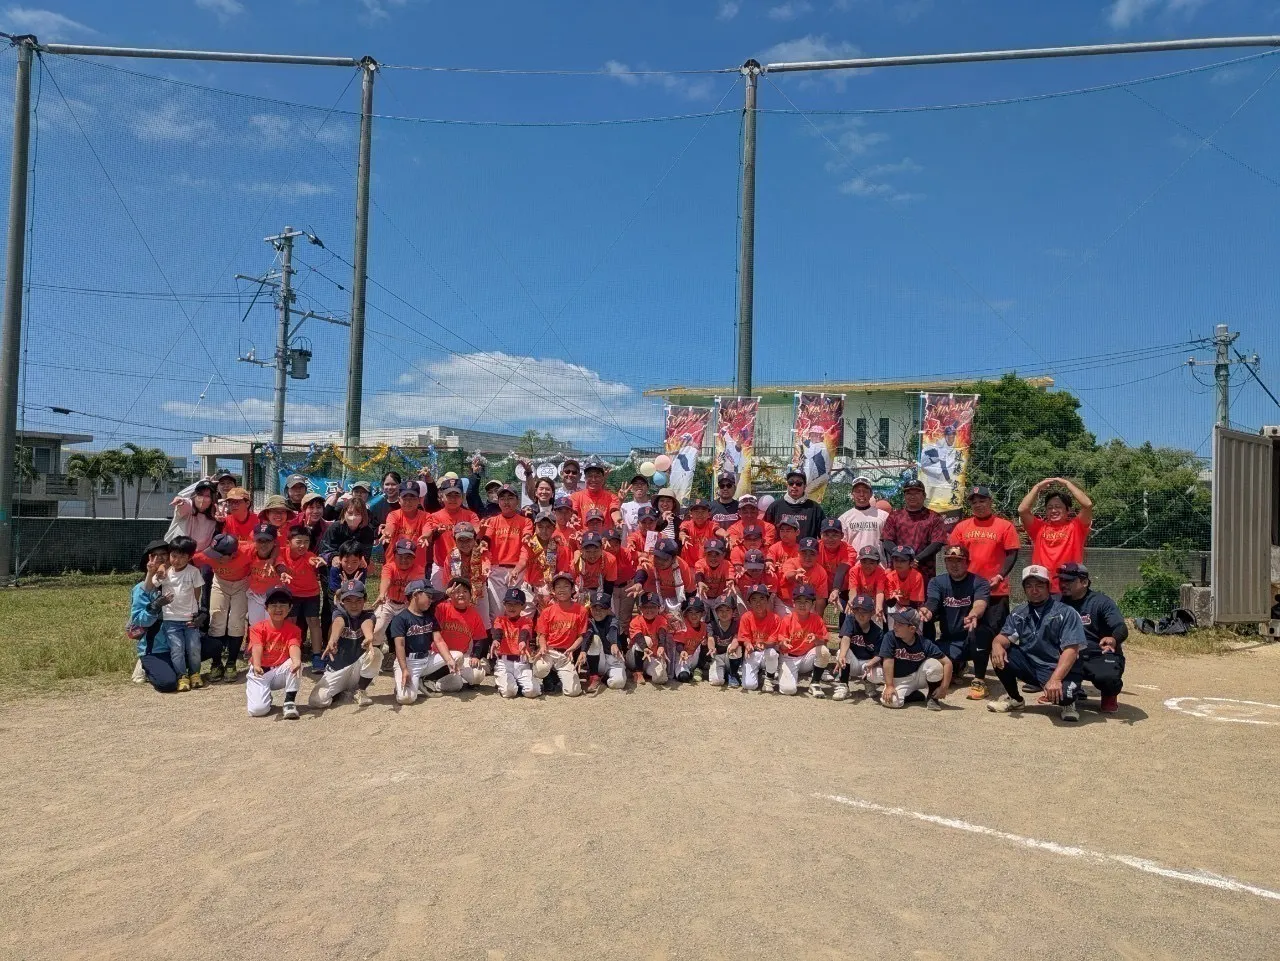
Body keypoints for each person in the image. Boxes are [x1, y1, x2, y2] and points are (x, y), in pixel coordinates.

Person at [948, 485, 1022, 699]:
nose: (978, 504)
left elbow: (1012, 554)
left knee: (994, 633)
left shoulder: (1004, 526)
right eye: (974, 501)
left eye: (982, 500)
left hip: (996, 590)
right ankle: (961, 666)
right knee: (964, 630)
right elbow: (954, 556)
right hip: (968, 589)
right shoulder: (962, 527)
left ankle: (998, 673)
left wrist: (1000, 575)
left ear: (990, 502)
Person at [988, 565, 1085, 722]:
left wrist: (1056, 679)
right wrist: (996, 645)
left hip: (1060, 669)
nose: (1034, 590)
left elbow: (1071, 650)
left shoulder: (1066, 612)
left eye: (1039, 585)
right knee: (999, 654)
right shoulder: (1019, 612)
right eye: (1029, 586)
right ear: (1024, 589)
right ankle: (1015, 700)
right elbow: (1003, 637)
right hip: (1033, 667)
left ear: (1048, 587)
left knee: (1064, 697)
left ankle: (1069, 704)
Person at [1057, 562, 1127, 713]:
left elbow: (1121, 627)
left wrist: (1114, 639)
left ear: (1084, 582)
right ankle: (1057, 689)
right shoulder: (1056, 602)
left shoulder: (1101, 602)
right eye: (1061, 580)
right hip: (1069, 654)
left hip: (1098, 654)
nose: (1063, 584)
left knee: (1108, 677)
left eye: (1069, 581)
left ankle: (1109, 694)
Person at [921, 545, 990, 698]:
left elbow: (980, 603)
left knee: (980, 631)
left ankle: (979, 680)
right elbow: (933, 600)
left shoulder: (979, 582)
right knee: (924, 621)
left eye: (959, 560)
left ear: (967, 563)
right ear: (945, 563)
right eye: (950, 560)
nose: (954, 565)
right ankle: (956, 666)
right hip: (948, 641)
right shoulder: (937, 582)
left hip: (971, 640)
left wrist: (974, 613)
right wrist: (928, 610)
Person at [309, 579, 380, 710]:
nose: (354, 605)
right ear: (342, 601)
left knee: (377, 653)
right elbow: (338, 623)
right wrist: (332, 639)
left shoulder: (368, 615)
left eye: (358, 600)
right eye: (349, 600)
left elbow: (367, 624)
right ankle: (341, 692)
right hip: (337, 670)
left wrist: (369, 637)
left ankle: (360, 690)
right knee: (316, 701)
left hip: (356, 668)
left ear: (365, 600)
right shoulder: (339, 614)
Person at [1019, 477, 1093, 594]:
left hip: (1069, 585)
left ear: (1068, 510)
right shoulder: (1038, 528)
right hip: (1043, 586)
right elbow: (1022, 510)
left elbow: (1087, 505)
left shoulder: (1076, 526)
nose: (1053, 510)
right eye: (1050, 508)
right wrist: (1037, 487)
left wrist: (1067, 484)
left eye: (1058, 507)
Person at [195, 532, 252, 682]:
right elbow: (186, 559)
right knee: (217, 620)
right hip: (220, 583)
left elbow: (273, 548)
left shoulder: (248, 550)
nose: (215, 558)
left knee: (236, 622)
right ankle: (216, 663)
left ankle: (231, 663)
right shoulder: (208, 555)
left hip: (241, 584)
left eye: (219, 556)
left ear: (233, 554)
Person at [388, 579, 454, 705]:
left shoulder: (429, 616)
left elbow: (439, 640)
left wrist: (449, 660)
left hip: (427, 659)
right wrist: (404, 669)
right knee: (406, 699)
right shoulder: (400, 619)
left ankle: (426, 680)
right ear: (415, 595)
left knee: (457, 657)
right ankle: (403, 684)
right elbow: (400, 646)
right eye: (428, 596)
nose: (431, 600)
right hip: (408, 662)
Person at [245, 586, 303, 719]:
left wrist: (296, 661)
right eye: (273, 605)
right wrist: (257, 665)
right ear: (266, 608)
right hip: (260, 672)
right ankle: (264, 695)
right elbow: (257, 646)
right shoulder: (257, 628)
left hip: (279, 671)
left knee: (295, 663)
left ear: (290, 608)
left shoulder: (293, 629)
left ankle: (289, 703)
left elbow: (294, 646)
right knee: (258, 711)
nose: (278, 608)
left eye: (283, 604)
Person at [878, 607, 951, 711]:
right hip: (899, 679)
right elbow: (888, 662)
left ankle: (932, 697)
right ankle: (911, 695)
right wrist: (889, 685)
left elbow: (947, 663)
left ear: (912, 629)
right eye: (895, 622)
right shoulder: (890, 637)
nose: (895, 626)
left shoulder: (924, 643)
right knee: (891, 702)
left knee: (935, 665)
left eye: (900, 624)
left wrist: (944, 687)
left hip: (918, 676)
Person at [160, 536, 206, 692]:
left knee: (194, 648)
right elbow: (154, 582)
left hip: (189, 619)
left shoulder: (193, 572)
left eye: (182, 557)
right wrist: (161, 569)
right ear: (169, 555)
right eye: (174, 556)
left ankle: (195, 674)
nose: (177, 560)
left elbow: (197, 590)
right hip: (171, 619)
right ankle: (182, 676)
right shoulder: (165, 572)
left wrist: (196, 610)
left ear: (190, 557)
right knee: (177, 649)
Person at [280, 522, 327, 674]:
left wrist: (317, 561)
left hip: (311, 594)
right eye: (299, 542)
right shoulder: (282, 553)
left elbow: (312, 560)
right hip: (292, 595)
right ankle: (290, 654)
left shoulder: (309, 556)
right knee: (291, 622)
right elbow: (277, 563)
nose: (303, 545)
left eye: (306, 542)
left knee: (314, 622)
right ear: (289, 542)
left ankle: (317, 655)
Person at [129, 540, 176, 692]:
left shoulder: (179, 581)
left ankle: (170, 667)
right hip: (157, 647)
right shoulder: (141, 589)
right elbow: (139, 620)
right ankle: (145, 664)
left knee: (213, 646)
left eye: (164, 554)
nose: (160, 558)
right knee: (167, 683)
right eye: (155, 555)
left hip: (179, 640)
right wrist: (154, 607)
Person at [881, 478, 947, 584]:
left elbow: (937, 543)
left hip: (924, 572)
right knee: (896, 595)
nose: (912, 496)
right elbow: (886, 540)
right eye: (909, 493)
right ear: (904, 496)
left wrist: (916, 559)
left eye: (916, 493)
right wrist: (902, 558)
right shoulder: (894, 516)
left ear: (924, 496)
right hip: (898, 572)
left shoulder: (934, 517)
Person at [482, 484, 532, 621]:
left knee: (518, 612)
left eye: (510, 498)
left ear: (517, 501)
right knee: (497, 612)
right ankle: (498, 635)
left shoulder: (526, 521)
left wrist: (518, 569)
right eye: (502, 498)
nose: (506, 502)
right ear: (498, 502)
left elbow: (526, 546)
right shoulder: (492, 521)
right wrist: (485, 561)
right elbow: (486, 542)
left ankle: (518, 636)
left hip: (517, 571)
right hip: (496, 570)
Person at [432, 578, 490, 690]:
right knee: (457, 682)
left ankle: (444, 680)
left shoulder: (474, 614)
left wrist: (476, 656)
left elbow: (479, 639)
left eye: (465, 591)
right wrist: (444, 595)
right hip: (439, 656)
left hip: (460, 658)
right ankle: (433, 679)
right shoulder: (441, 607)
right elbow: (429, 606)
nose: (461, 594)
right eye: (457, 591)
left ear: (470, 595)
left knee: (478, 674)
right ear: (451, 594)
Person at [535, 572, 587, 696]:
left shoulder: (581, 610)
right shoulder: (547, 611)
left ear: (573, 589)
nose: (561, 590)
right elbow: (542, 635)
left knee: (573, 692)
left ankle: (556, 676)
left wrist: (572, 648)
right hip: (550, 651)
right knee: (541, 668)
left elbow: (581, 636)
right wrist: (543, 647)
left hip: (566, 654)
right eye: (558, 586)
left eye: (566, 586)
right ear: (553, 591)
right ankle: (548, 676)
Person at [775, 584, 831, 697]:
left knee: (824, 651)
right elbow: (780, 642)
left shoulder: (817, 619)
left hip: (806, 658)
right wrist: (783, 643)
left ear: (813, 604)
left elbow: (823, 641)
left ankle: (815, 683)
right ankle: (785, 673)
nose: (802, 605)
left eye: (806, 601)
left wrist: (817, 639)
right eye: (799, 601)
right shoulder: (787, 619)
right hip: (789, 658)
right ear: (793, 603)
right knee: (789, 690)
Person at [373, 539, 427, 650]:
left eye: (408, 557)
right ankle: (376, 650)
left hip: (406, 605)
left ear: (414, 558)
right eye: (400, 556)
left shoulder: (419, 570)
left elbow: (415, 588)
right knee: (376, 629)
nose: (404, 560)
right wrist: (382, 594)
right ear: (394, 555)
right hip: (388, 602)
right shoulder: (389, 566)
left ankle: (402, 653)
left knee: (409, 632)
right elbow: (386, 580)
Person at [629, 537, 691, 627]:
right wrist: (638, 583)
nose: (659, 561)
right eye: (657, 557)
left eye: (664, 559)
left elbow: (689, 589)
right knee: (650, 624)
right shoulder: (650, 559)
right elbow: (642, 571)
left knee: (674, 625)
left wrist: (683, 609)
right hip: (652, 598)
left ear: (674, 558)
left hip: (673, 600)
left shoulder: (682, 567)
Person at [834, 594, 884, 701]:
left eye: (864, 611)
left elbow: (879, 655)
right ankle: (843, 685)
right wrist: (842, 655)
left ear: (872, 612)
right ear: (853, 611)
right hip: (852, 663)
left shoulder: (878, 631)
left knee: (879, 673)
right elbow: (846, 637)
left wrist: (871, 663)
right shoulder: (850, 620)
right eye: (857, 611)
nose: (860, 615)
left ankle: (869, 682)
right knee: (841, 653)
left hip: (867, 664)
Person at [492, 587, 540, 699]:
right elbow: (498, 630)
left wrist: (522, 641)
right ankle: (506, 681)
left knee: (532, 692)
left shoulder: (526, 620)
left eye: (516, 604)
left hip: (521, 663)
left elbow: (525, 631)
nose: (512, 607)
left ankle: (517, 682)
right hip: (504, 663)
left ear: (523, 606)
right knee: (509, 692)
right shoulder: (500, 620)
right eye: (508, 604)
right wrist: (496, 640)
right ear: (504, 605)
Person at [523, 509, 572, 610]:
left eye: (548, 527)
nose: (544, 531)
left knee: (549, 614)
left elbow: (561, 572)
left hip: (548, 588)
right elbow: (522, 561)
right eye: (540, 527)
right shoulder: (529, 544)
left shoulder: (558, 547)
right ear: (535, 527)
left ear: (554, 529)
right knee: (526, 616)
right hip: (529, 588)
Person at [739, 584, 781, 693]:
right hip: (753, 653)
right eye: (754, 599)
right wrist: (747, 644)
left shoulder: (775, 618)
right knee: (749, 685)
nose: (758, 603)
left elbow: (774, 640)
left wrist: (765, 644)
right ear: (749, 603)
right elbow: (745, 637)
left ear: (767, 600)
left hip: (767, 652)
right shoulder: (746, 617)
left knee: (772, 653)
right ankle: (758, 672)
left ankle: (769, 678)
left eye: (762, 598)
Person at [582, 590, 627, 693]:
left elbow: (613, 630)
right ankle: (594, 675)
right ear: (590, 608)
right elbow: (588, 635)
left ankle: (604, 677)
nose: (598, 612)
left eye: (602, 608)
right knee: (594, 639)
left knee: (618, 683)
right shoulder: (590, 621)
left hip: (613, 659)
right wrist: (583, 651)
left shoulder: (613, 620)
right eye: (595, 608)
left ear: (609, 610)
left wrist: (614, 643)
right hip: (598, 661)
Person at [382, 480, 433, 570]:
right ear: (399, 500)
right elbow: (390, 525)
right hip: (393, 563)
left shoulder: (426, 516)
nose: (408, 502)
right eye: (405, 498)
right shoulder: (393, 515)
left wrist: (426, 535)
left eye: (412, 498)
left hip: (417, 565)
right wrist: (388, 533)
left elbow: (427, 528)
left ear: (418, 500)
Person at [246, 522, 288, 628]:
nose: (263, 544)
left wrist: (283, 573)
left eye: (267, 541)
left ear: (274, 542)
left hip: (272, 597)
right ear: (254, 541)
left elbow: (280, 566)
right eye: (260, 540)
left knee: (272, 625)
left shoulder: (277, 557)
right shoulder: (250, 553)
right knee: (255, 625)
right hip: (255, 595)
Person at [766, 467, 825, 540]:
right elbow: (766, 531)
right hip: (781, 547)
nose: (794, 486)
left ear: (804, 486)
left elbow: (823, 534)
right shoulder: (775, 506)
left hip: (806, 547)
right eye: (791, 483)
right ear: (787, 485)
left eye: (798, 483)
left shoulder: (814, 508)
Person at [777, 537, 830, 619]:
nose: (807, 558)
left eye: (812, 554)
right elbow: (788, 575)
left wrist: (818, 620)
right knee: (786, 623)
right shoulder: (791, 562)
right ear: (798, 553)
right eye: (804, 553)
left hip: (806, 606)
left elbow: (820, 599)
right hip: (785, 604)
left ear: (817, 555)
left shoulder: (821, 572)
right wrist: (795, 574)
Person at [838, 476, 887, 562]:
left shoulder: (883, 516)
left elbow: (888, 544)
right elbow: (842, 545)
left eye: (865, 491)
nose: (861, 494)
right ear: (852, 494)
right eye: (858, 491)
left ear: (871, 494)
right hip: (854, 566)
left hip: (878, 565)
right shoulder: (844, 518)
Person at [627, 591, 671, 686]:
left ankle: (646, 672)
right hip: (634, 658)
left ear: (658, 608)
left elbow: (662, 632)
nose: (649, 610)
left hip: (651, 657)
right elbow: (639, 638)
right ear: (640, 608)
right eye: (646, 607)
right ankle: (638, 672)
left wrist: (661, 646)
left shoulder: (661, 619)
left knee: (661, 678)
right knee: (646, 640)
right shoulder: (636, 621)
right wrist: (645, 648)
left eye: (653, 607)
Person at [318, 500, 376, 564]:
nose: (353, 517)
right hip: (335, 564)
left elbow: (366, 554)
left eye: (358, 514)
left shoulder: (368, 531)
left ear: (363, 516)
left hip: (356, 564)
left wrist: (363, 559)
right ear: (344, 513)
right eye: (350, 513)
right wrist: (334, 557)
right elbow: (325, 550)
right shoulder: (335, 527)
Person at [167, 479, 218, 553]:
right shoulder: (189, 506)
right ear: (195, 495)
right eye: (200, 494)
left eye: (207, 496)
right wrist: (181, 502)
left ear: (212, 498)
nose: (203, 499)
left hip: (200, 554)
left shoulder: (215, 512)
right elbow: (183, 501)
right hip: (179, 552)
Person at [919, 424, 963, 509]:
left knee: (937, 480)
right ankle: (927, 500)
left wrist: (958, 421)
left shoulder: (946, 441)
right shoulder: (942, 448)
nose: (952, 439)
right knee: (941, 476)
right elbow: (943, 467)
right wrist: (948, 480)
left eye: (953, 436)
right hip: (926, 464)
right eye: (950, 437)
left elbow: (952, 426)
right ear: (946, 436)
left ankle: (927, 498)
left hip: (931, 460)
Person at [706, 596, 743, 688]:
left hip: (730, 655)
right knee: (716, 681)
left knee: (737, 647)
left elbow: (736, 638)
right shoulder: (712, 625)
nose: (724, 613)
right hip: (717, 656)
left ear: (733, 611)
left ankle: (733, 674)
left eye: (727, 610)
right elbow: (710, 638)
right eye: (720, 610)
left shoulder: (736, 624)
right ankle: (726, 674)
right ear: (716, 612)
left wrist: (733, 647)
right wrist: (712, 648)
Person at [817, 519, 853, 608]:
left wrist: (836, 589)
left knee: (847, 611)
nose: (830, 539)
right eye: (826, 535)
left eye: (835, 535)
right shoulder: (815, 547)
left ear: (842, 535)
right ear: (821, 535)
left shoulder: (848, 549)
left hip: (842, 589)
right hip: (821, 587)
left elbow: (842, 570)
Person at [671, 598, 708, 683]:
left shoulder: (705, 626)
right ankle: (690, 671)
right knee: (684, 677)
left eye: (697, 612)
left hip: (696, 657)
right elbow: (679, 643)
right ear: (686, 614)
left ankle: (699, 668)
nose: (693, 615)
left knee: (706, 642)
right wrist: (682, 651)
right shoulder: (683, 624)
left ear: (702, 613)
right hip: (683, 657)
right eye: (690, 612)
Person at [573, 531, 616, 602]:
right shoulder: (576, 560)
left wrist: (604, 602)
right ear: (582, 550)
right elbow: (570, 581)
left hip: (600, 591)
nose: (592, 555)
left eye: (595, 551)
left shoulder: (610, 560)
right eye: (588, 551)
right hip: (580, 591)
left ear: (602, 548)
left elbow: (609, 586)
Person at [848, 545, 888, 620]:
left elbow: (879, 592)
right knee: (850, 613)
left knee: (878, 615)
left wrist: (879, 606)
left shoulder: (881, 572)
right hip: (859, 601)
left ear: (877, 563)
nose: (867, 566)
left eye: (871, 563)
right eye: (864, 562)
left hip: (874, 601)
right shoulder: (854, 570)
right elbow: (853, 589)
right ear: (860, 562)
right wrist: (851, 600)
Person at [693, 537, 734, 609]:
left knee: (733, 591)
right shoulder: (700, 563)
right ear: (704, 554)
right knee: (697, 602)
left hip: (721, 598)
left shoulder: (727, 564)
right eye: (709, 554)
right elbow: (699, 573)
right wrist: (700, 582)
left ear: (723, 554)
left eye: (717, 554)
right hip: (704, 596)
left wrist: (730, 581)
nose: (713, 558)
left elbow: (730, 577)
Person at [884, 546, 925, 615]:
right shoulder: (889, 577)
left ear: (911, 562)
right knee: (891, 610)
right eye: (896, 560)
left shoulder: (916, 576)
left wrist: (899, 601)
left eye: (903, 560)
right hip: (895, 607)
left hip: (913, 608)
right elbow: (890, 603)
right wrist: (893, 599)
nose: (898, 563)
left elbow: (915, 603)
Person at [679, 498, 717, 565]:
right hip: (688, 565)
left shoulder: (712, 524)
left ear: (709, 514)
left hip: (706, 565)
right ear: (691, 514)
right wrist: (682, 536)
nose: (700, 514)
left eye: (703, 511)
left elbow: (718, 530)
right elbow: (682, 532)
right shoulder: (686, 524)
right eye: (696, 511)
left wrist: (725, 534)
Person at [799, 424, 831, 496]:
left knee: (804, 492)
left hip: (821, 477)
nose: (814, 437)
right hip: (818, 477)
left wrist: (801, 445)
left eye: (817, 435)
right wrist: (803, 439)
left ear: (820, 436)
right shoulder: (814, 445)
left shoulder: (820, 446)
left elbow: (808, 454)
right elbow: (808, 443)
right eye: (812, 435)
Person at [668, 433, 701, 501]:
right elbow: (676, 452)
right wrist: (670, 453)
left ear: (688, 440)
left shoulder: (692, 449)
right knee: (678, 486)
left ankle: (682, 501)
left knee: (684, 487)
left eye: (684, 440)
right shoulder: (683, 449)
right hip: (681, 471)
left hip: (686, 471)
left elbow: (699, 453)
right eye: (683, 440)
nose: (683, 441)